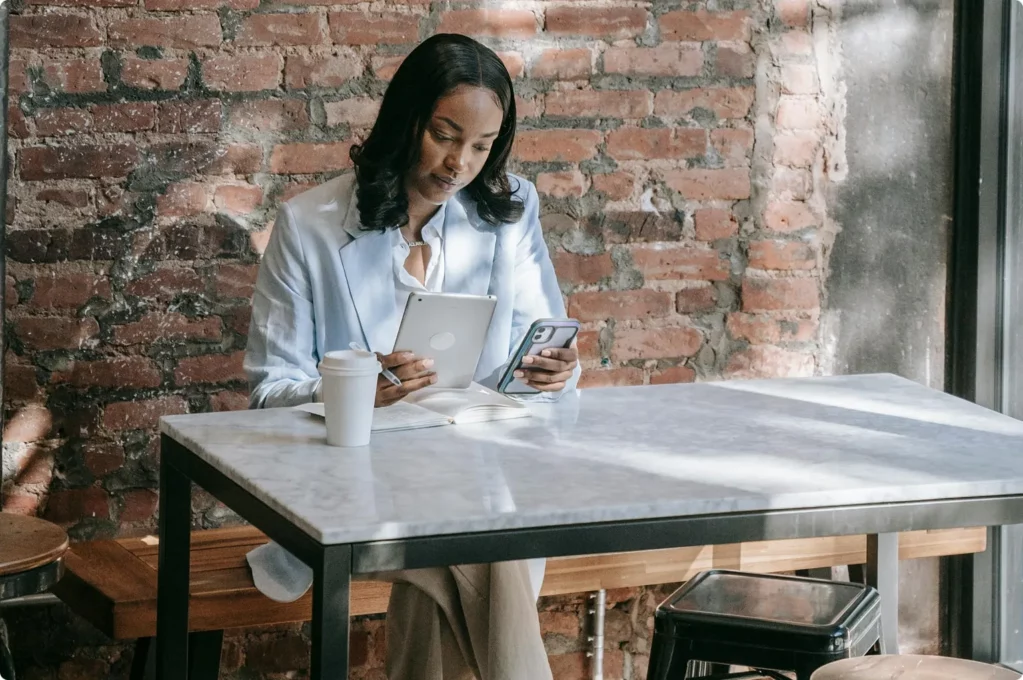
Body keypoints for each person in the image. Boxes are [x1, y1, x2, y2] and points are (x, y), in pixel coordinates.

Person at [243, 33, 580, 680]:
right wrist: (353, 391)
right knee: (486, 542)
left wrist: (554, 370)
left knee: (465, 537)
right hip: (359, 483)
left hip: (481, 470)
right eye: (444, 136)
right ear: (406, 121)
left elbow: (539, 347)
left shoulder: (508, 212)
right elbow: (269, 390)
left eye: (482, 146)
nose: (460, 164)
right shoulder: (309, 225)